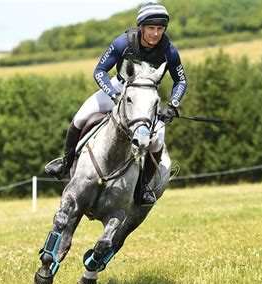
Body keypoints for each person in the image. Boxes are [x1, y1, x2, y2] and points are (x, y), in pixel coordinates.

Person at [45, 2, 187, 206]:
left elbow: (181, 80)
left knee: (157, 140)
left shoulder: (169, 52)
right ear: (141, 27)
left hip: (145, 98)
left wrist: (172, 104)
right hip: (117, 89)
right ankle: (65, 163)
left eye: (160, 29)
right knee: (80, 117)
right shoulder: (123, 43)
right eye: (151, 28)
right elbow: (99, 71)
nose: (155, 34)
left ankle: (142, 188)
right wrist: (113, 94)